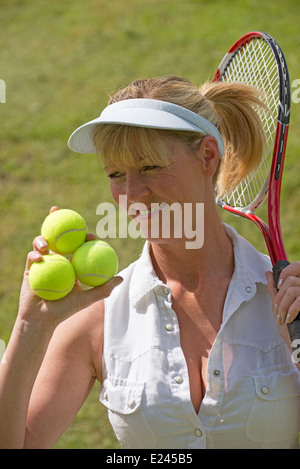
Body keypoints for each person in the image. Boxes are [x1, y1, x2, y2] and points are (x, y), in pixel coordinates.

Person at [0, 76, 299, 449]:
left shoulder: (288, 302)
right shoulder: (97, 316)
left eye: (150, 167)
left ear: (208, 156)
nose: (131, 194)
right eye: (115, 174)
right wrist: (30, 326)